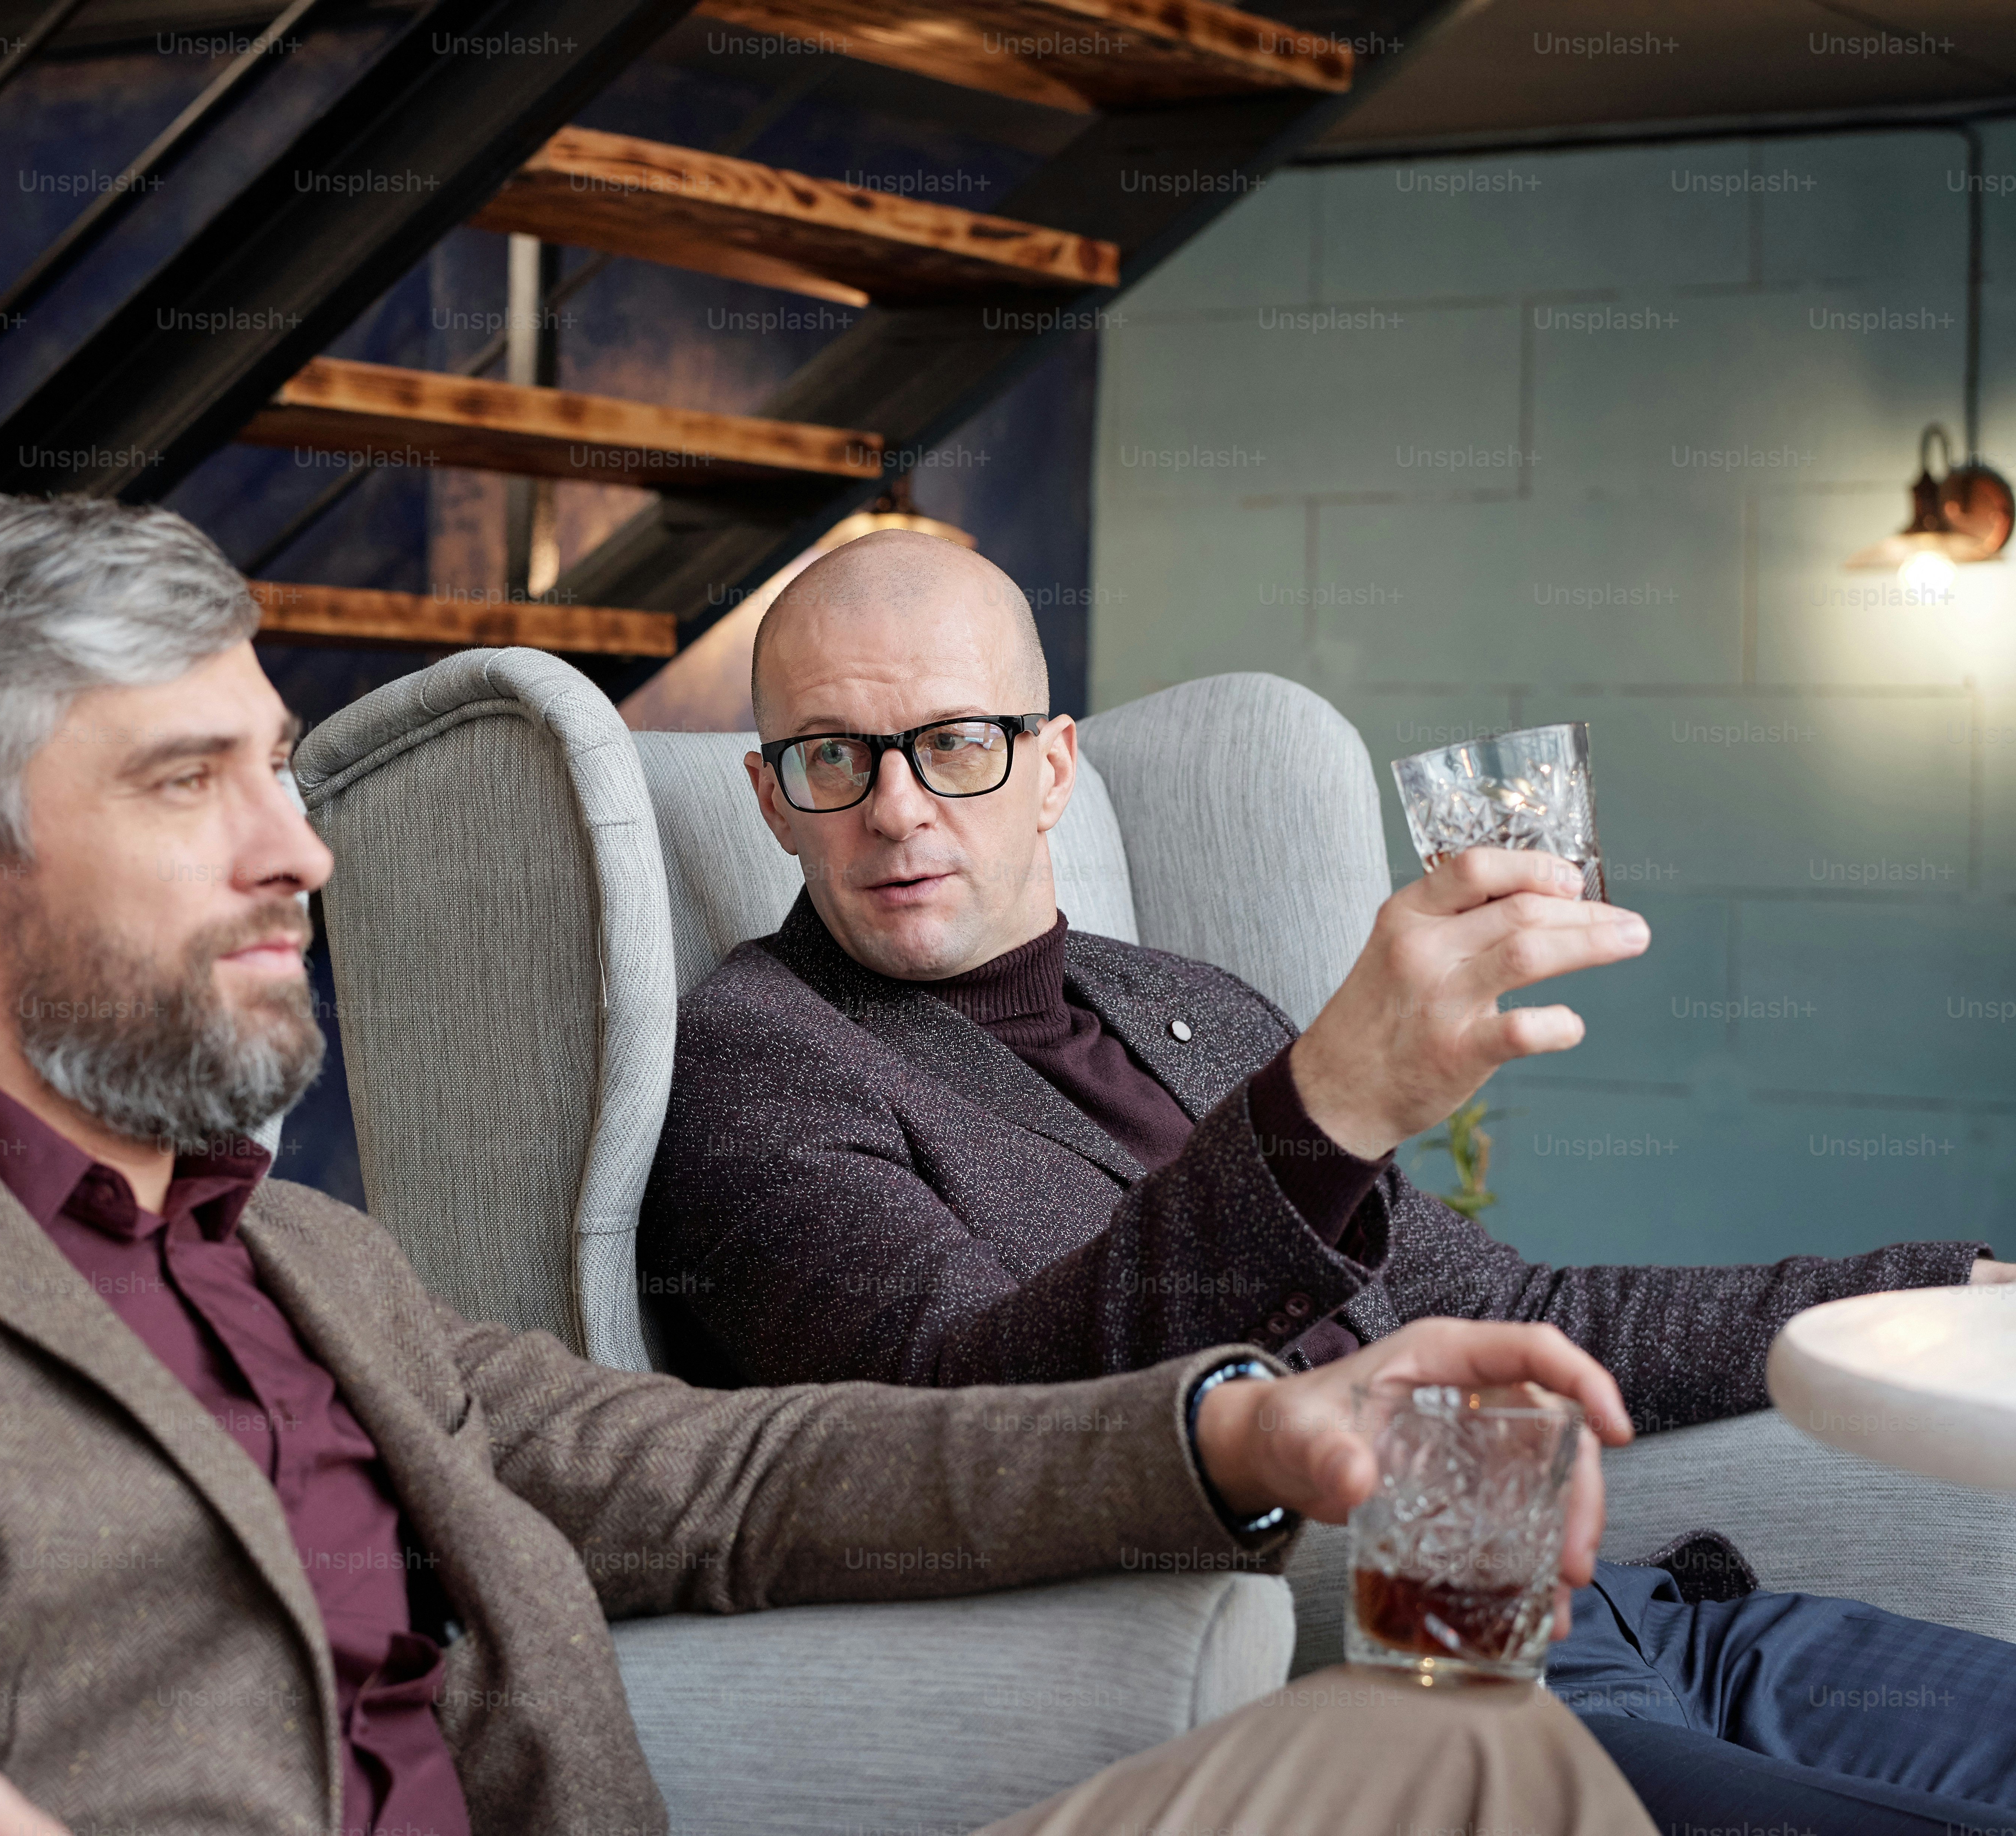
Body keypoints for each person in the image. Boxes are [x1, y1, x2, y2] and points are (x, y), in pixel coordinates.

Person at [0, 495, 1653, 1836]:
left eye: (280, 769)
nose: (298, 852)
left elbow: (746, 1485)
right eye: (186, 787)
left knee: (1454, 1763)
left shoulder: (318, 1264)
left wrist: (1243, 1425)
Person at [637, 526, 2016, 1832]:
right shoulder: (761, 1066)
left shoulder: (1179, 1001)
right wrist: (1325, 1109)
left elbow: (1522, 1302)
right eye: (832, 758)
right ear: (771, 799)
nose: (895, 810)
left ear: (1053, 766)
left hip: (1635, 1612)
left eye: (955, 745)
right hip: (1405, 1682)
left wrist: (1935, 1287)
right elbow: (971, 1426)